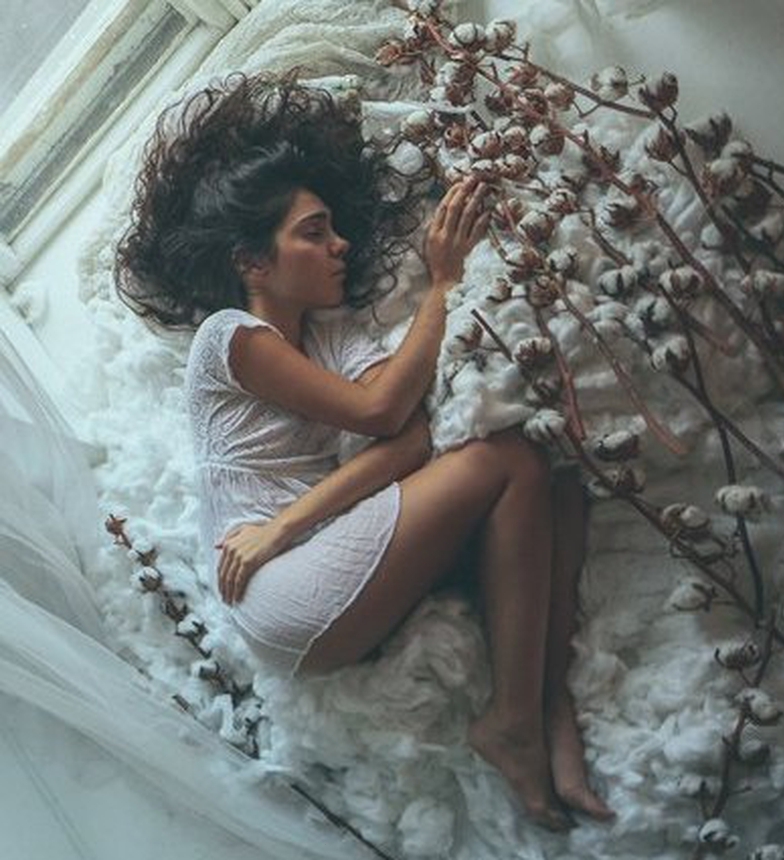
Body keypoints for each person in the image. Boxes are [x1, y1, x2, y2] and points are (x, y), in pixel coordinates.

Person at [115, 70, 613, 831]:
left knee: (555, 479)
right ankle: (515, 719)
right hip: (273, 588)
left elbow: (408, 436)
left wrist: (289, 523)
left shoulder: (333, 334)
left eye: (333, 229)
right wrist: (441, 284)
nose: (338, 244)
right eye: (313, 233)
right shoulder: (228, 338)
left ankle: (547, 709)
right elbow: (379, 413)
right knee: (508, 456)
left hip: (309, 551)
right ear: (253, 262)